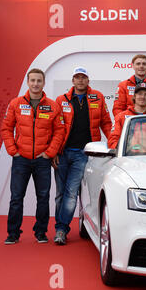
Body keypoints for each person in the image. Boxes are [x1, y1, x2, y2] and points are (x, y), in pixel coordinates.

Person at [1, 68, 65, 244]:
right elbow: (6, 128)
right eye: (33, 80)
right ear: (28, 82)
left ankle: (41, 232)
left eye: (39, 81)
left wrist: (50, 153)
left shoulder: (53, 106)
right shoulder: (15, 103)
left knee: (43, 197)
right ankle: (13, 234)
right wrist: (13, 150)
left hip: (42, 160)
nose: (36, 84)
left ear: (43, 83)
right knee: (16, 197)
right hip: (21, 159)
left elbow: (59, 131)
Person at [53, 67, 112, 245]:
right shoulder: (61, 100)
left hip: (82, 154)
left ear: (88, 80)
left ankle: (61, 230)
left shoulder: (98, 97)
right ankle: (59, 227)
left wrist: (115, 144)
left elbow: (106, 123)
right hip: (62, 153)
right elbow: (54, 127)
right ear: (72, 80)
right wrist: (53, 151)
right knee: (60, 194)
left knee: (71, 193)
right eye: (77, 77)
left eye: (83, 77)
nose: (80, 80)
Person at [108, 82, 146, 150]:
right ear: (134, 97)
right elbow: (112, 141)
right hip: (128, 156)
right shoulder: (121, 117)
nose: (142, 97)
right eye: (140, 94)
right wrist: (124, 150)